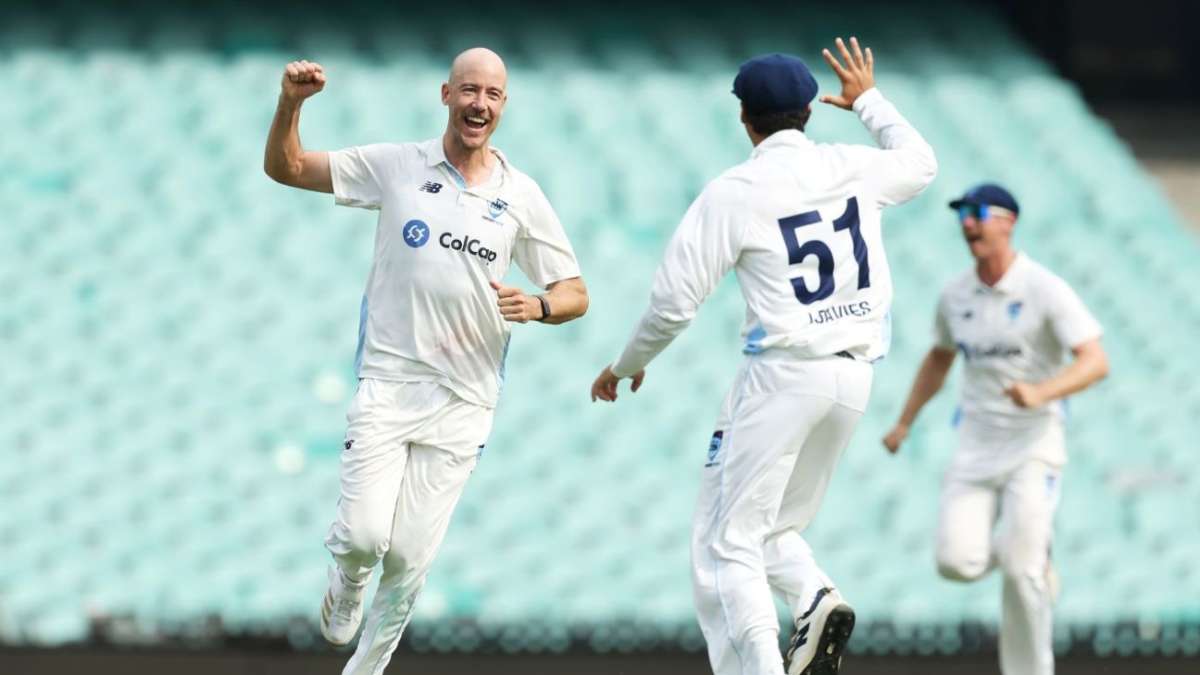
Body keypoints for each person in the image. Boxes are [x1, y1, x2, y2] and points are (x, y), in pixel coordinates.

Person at [591, 38, 936, 675]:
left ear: (745, 119)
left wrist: (627, 363)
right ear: (809, 110)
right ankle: (815, 596)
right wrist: (869, 102)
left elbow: (672, 303)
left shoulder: (737, 190)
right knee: (773, 532)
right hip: (852, 379)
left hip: (782, 374)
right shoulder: (851, 165)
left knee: (726, 547)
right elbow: (920, 163)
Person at [263, 48, 588, 675]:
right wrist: (291, 104)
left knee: (410, 557)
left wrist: (541, 305)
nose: (479, 105)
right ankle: (347, 581)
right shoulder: (397, 166)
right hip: (390, 382)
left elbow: (576, 292)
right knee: (365, 540)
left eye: (492, 95)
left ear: (504, 105)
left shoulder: (521, 195)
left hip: (466, 400)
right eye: (469, 91)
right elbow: (287, 167)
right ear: (446, 94)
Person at [881, 183, 1108, 675]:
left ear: (1007, 221)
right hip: (975, 448)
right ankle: (1028, 545)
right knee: (955, 563)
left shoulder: (1044, 289)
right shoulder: (954, 294)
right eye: (962, 214)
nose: (967, 223)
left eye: (977, 213)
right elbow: (940, 359)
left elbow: (1095, 361)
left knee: (1022, 574)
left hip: (1033, 446)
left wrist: (1042, 392)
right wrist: (903, 422)